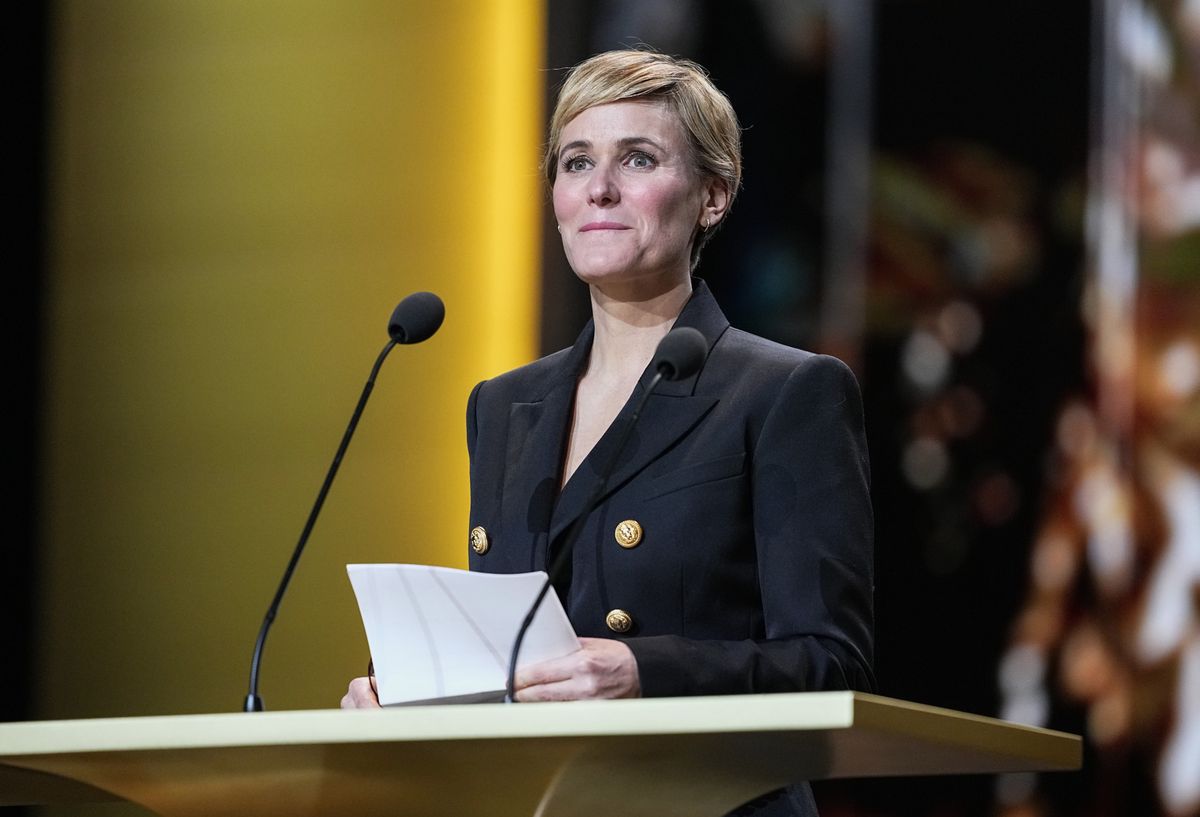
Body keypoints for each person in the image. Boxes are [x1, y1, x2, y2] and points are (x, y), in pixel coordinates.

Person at [343, 49, 874, 816]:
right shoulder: (502, 406)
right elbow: (515, 647)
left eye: (638, 158)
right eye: (575, 161)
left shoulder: (787, 391)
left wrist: (641, 671)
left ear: (714, 195)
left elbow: (835, 664)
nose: (598, 187)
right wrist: (408, 694)